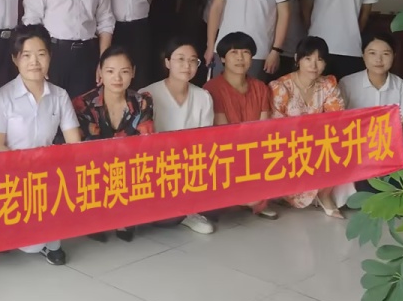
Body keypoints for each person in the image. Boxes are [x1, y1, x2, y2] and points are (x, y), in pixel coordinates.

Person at [0, 25, 82, 264]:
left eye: (41, 54)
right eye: (26, 55)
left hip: (48, 172)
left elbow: (74, 143)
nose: (34, 62)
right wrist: (25, 170)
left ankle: (50, 241)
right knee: (28, 243)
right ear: (15, 59)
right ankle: (10, 229)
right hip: (11, 173)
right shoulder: (1, 97)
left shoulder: (60, 95)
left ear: (50, 56)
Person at [73, 45, 154, 242]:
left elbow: (146, 143)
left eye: (124, 71)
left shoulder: (142, 101)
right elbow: (83, 149)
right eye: (110, 71)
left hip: (128, 167)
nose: (117, 78)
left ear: (133, 72)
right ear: (100, 72)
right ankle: (95, 215)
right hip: (95, 169)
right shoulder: (83, 104)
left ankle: (124, 213)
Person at [269, 36, 351, 218]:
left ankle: (324, 193)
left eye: (319, 60)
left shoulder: (328, 85)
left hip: (319, 141)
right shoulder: (280, 87)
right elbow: (275, 127)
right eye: (308, 58)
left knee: (342, 142)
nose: (313, 65)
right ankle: (290, 193)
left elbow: (337, 118)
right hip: (288, 145)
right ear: (297, 59)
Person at [141, 38, 216, 234]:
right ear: (167, 62)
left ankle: (189, 210)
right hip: (157, 166)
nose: (187, 66)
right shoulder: (147, 95)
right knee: (162, 217)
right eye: (180, 59)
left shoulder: (203, 97)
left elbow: (206, 141)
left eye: (193, 61)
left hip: (190, 165)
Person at [204, 31, 278, 220]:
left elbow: (263, 128)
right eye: (234, 53)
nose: (240, 58)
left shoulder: (260, 87)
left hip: (254, 149)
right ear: (222, 58)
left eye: (245, 52)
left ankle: (251, 198)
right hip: (226, 152)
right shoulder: (212, 88)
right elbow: (223, 132)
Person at [340, 30, 403, 174]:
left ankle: (390, 182)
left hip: (388, 145)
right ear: (363, 55)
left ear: (394, 56)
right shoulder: (347, 83)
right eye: (372, 53)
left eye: (385, 54)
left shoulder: (401, 86)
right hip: (355, 145)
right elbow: (339, 124)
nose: (378, 60)